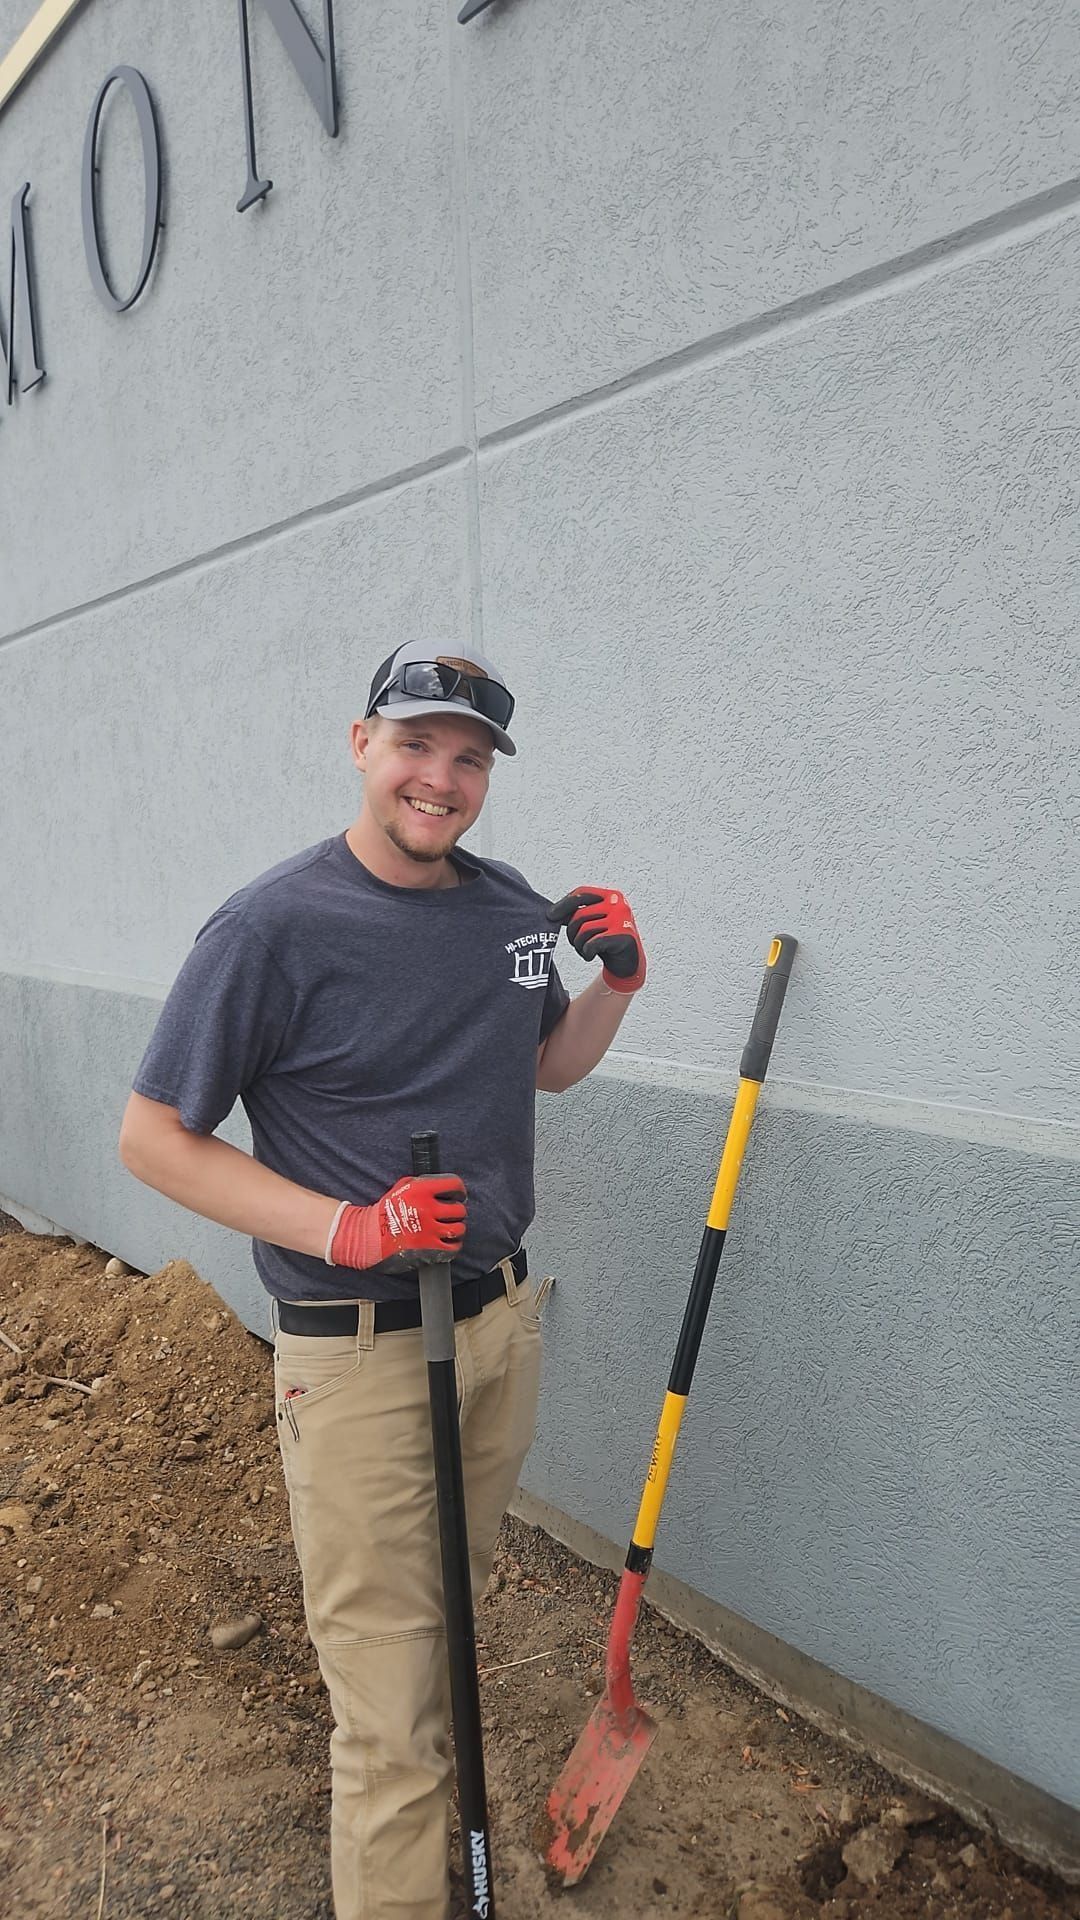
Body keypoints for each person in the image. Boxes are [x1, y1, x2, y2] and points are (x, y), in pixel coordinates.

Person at [118, 640, 646, 1920]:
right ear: (362, 745)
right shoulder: (271, 928)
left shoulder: (503, 907)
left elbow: (544, 1069)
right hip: (357, 1356)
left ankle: (437, 1868)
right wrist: (351, 1228)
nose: (441, 778)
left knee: (447, 1630)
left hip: (495, 1332)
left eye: (469, 759)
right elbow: (152, 1139)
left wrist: (617, 984)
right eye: (417, 745)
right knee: (392, 1710)